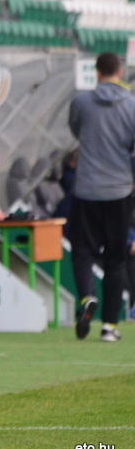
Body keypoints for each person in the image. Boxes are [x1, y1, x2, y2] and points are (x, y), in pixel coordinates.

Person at [68, 52, 135, 342]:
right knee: (116, 258)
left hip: (86, 189)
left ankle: (86, 297)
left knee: (82, 249)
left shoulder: (81, 102)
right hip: (119, 190)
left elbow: (75, 129)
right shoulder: (132, 105)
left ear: (96, 72)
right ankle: (109, 326)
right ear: (119, 71)